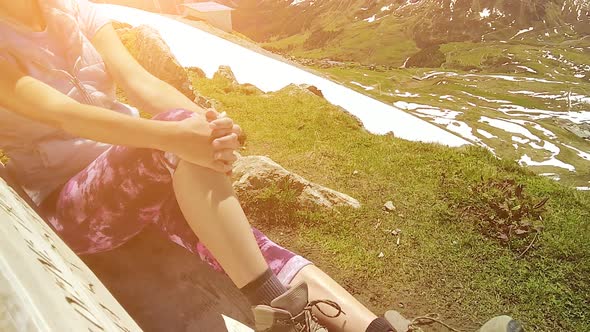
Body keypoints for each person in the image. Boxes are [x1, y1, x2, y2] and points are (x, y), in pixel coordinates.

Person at [0, 1, 523, 332]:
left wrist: (208, 124)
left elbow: (141, 85)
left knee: (255, 243)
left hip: (141, 171)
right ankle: (279, 312)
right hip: (70, 203)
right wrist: (177, 134)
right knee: (180, 139)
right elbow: (60, 113)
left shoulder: (81, 12)